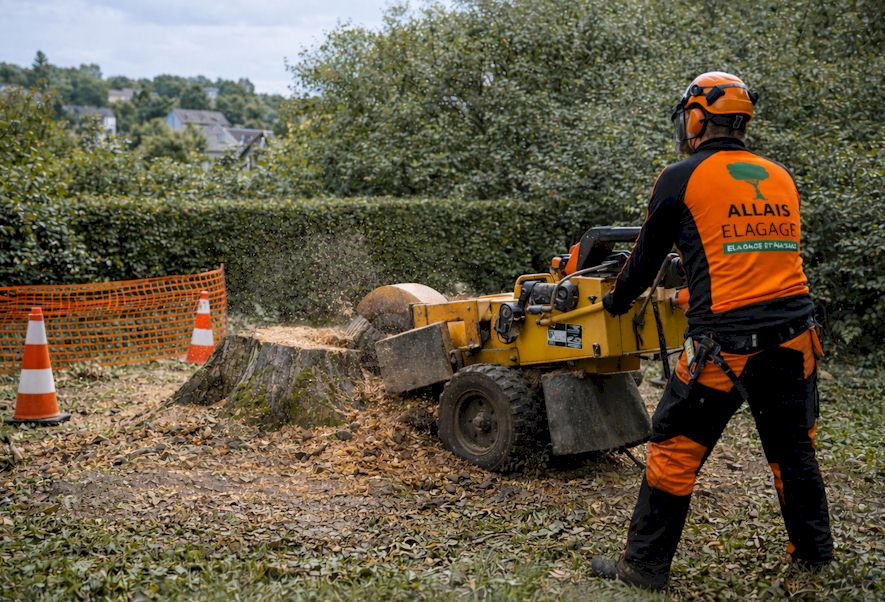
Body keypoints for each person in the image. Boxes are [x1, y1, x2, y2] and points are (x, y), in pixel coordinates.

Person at [591, 71, 834, 590]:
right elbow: (746, 260)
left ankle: (643, 568)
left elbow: (642, 261)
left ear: (697, 118)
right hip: (795, 337)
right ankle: (814, 553)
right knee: (793, 452)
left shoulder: (680, 177)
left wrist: (615, 302)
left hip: (724, 349)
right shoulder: (779, 175)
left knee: (673, 450)